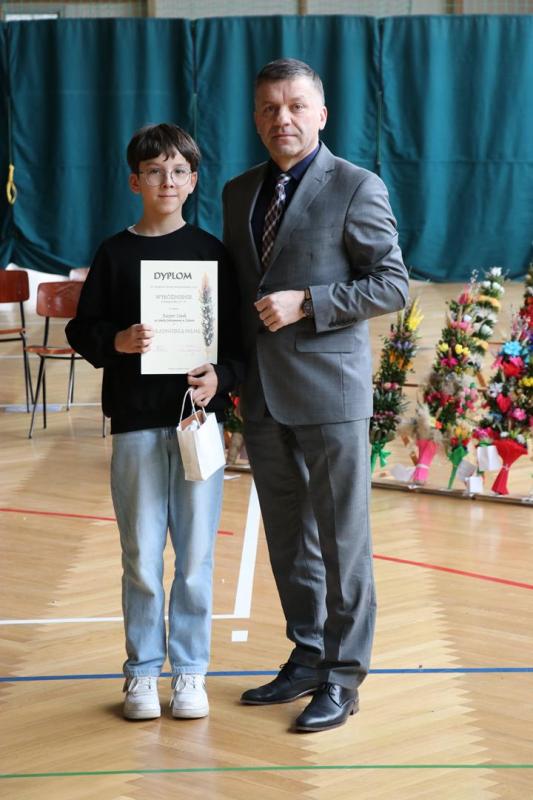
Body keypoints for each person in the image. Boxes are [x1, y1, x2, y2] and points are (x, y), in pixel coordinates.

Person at [222, 59, 409, 732]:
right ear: (256, 119)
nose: (284, 118)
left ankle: (344, 676)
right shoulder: (238, 192)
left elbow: (392, 284)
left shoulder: (357, 186)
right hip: (263, 395)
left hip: (331, 393)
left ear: (320, 114)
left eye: (296, 106)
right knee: (287, 540)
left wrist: (309, 301)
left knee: (341, 541)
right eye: (270, 108)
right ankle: (307, 655)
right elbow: (235, 295)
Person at [66, 123, 243, 721]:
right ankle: (141, 672)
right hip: (136, 424)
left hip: (198, 423)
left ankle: (190, 671)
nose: (166, 181)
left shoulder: (213, 253)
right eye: (154, 171)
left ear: (193, 182)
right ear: (134, 181)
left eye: (178, 171)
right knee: (141, 556)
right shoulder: (114, 253)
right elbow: (82, 329)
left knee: (194, 558)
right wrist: (116, 340)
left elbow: (237, 345)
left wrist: (221, 377)